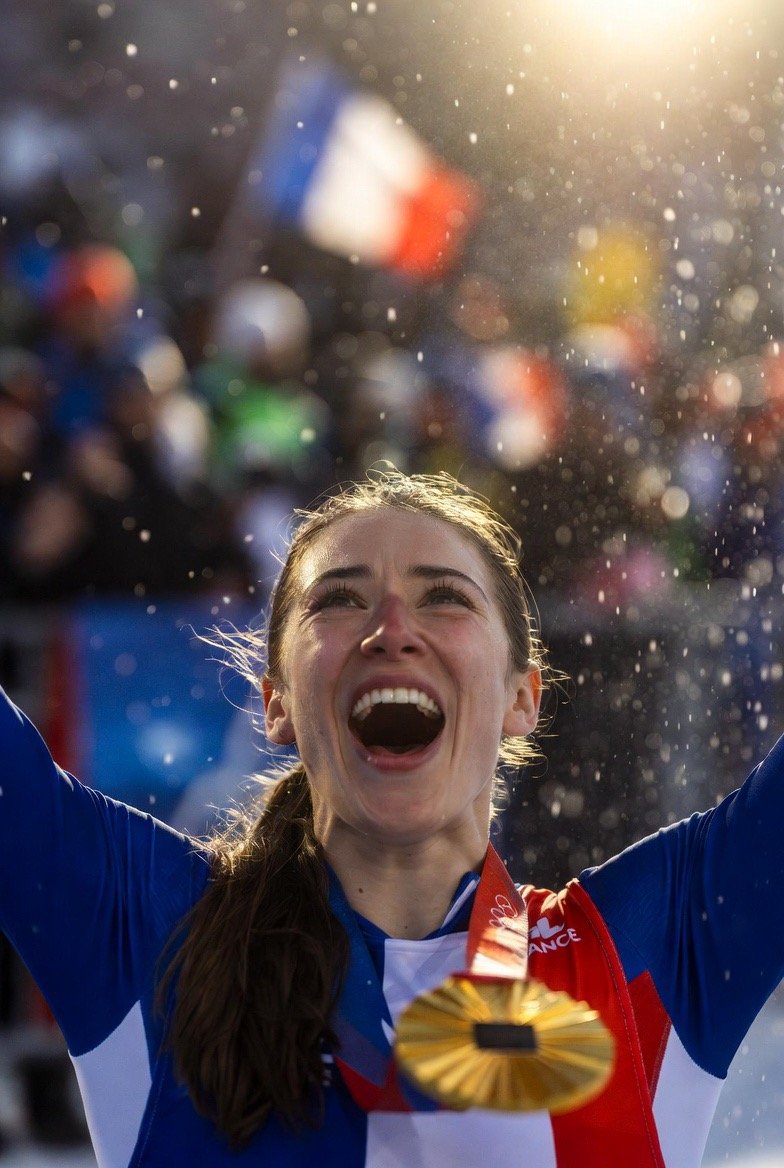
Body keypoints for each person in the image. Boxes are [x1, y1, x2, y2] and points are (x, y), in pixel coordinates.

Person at [0, 465, 782, 1167]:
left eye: (445, 596)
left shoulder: (648, 946)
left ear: (523, 697)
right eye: (339, 599)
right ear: (275, 704)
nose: (392, 632)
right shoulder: (155, 933)